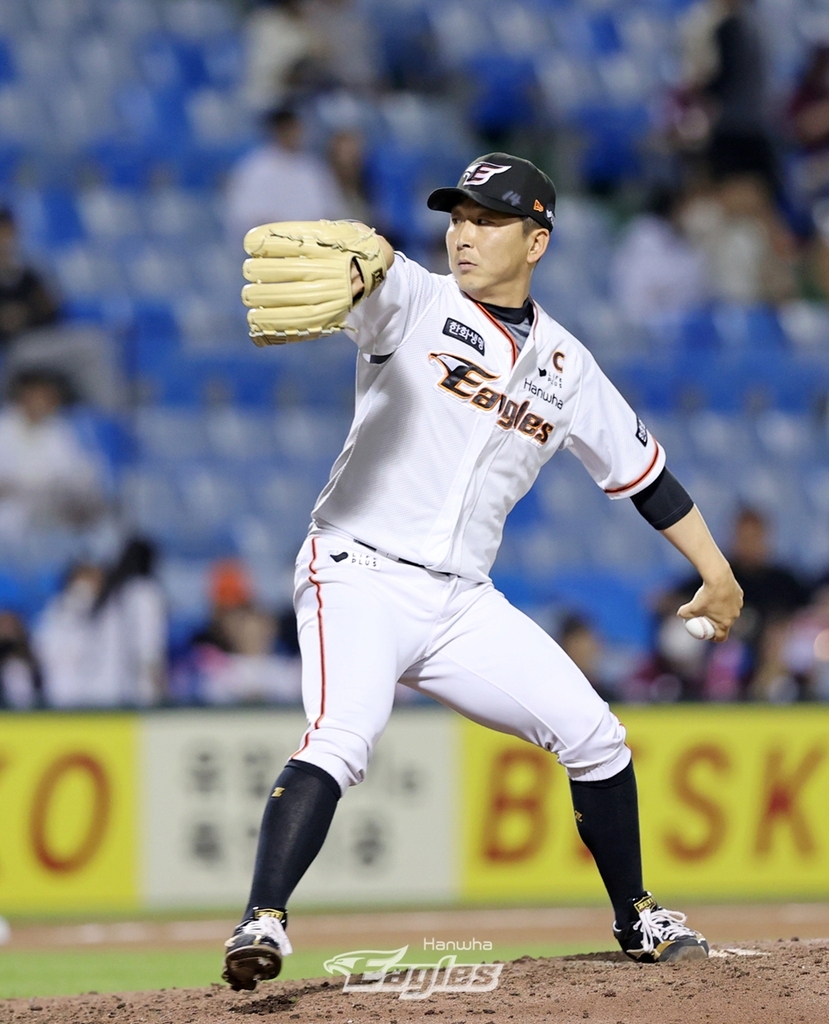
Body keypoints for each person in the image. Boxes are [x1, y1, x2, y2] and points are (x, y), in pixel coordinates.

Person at [222, 154, 744, 989]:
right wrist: (366, 278)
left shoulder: (569, 366)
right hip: (356, 571)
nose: (463, 234)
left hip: (461, 600)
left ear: (537, 240)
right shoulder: (414, 300)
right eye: (457, 217)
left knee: (597, 738)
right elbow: (374, 286)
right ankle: (262, 920)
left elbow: (646, 475)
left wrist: (716, 573)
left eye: (488, 219)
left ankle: (636, 915)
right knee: (342, 737)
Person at [0, 369, 105, 540]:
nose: (47, 402)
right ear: (24, 395)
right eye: (41, 395)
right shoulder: (4, 427)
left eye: (50, 397)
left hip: (49, 516)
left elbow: (77, 473)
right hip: (9, 520)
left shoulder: (60, 431)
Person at [224, 106, 347, 247]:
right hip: (271, 252)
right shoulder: (255, 169)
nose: (294, 135)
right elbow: (244, 217)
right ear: (277, 131)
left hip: (312, 250)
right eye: (289, 129)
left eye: (296, 129)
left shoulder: (312, 168)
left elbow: (331, 211)